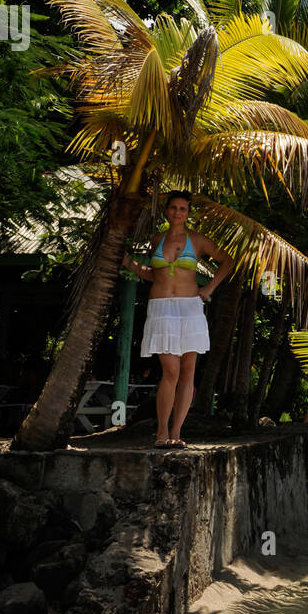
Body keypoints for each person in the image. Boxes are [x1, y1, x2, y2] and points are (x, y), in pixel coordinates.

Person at [121, 191, 233, 448]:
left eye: (183, 209)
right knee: (170, 371)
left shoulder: (197, 240)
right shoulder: (157, 239)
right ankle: (161, 432)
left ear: (188, 212)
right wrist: (129, 263)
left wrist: (209, 289)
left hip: (190, 309)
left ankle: (176, 433)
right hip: (161, 309)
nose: (178, 213)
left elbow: (228, 260)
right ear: (166, 211)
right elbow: (154, 275)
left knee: (187, 372)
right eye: (173, 208)